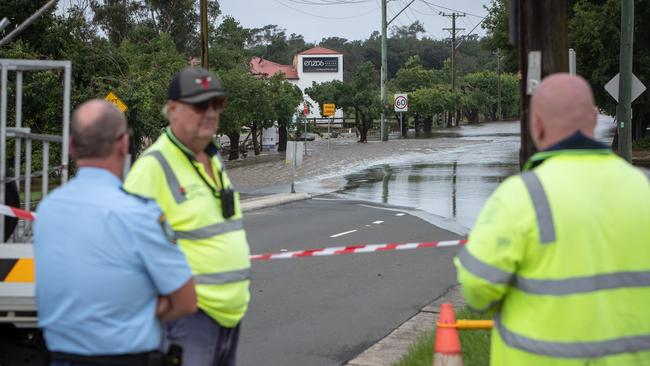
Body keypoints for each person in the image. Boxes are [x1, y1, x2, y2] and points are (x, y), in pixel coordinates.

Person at [455, 74, 650, 365]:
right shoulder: (642, 187)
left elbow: (476, 288)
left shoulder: (521, 197)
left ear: (536, 125)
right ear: (594, 118)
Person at [34, 99, 197, 366]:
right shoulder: (140, 214)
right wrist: (138, 309)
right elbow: (186, 301)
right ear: (123, 145)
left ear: (71, 146)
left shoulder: (48, 210)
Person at [124, 68, 251, 366]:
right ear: (172, 109)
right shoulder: (152, 167)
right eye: (199, 105)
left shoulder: (212, 158)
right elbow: (119, 246)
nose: (210, 113)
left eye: (216, 104)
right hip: (188, 321)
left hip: (229, 317)